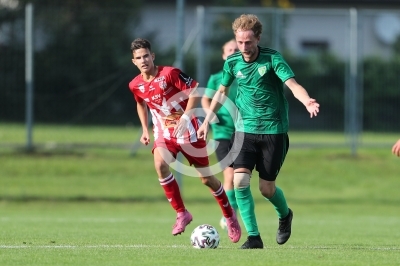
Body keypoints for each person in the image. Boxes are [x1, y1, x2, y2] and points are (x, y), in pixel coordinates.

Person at [197, 14, 320, 249]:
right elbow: (221, 92)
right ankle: (254, 237)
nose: (244, 47)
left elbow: (293, 85)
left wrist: (307, 102)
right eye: (240, 42)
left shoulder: (272, 59)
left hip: (274, 131)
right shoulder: (232, 63)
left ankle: (285, 216)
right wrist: (205, 121)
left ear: (258, 39)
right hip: (244, 130)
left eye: (249, 42)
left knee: (266, 189)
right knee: (240, 181)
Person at [128, 38, 241, 243]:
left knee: (207, 179)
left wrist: (187, 117)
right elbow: (140, 104)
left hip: (189, 130)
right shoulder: (135, 85)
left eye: (146, 56)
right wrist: (145, 129)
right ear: (133, 61)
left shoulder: (169, 74)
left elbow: (194, 93)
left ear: (152, 56)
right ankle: (181, 213)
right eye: (138, 58)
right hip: (164, 133)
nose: (143, 60)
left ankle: (229, 215)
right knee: (160, 165)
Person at [201, 39, 239, 230]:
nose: (233, 52)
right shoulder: (216, 78)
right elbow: (206, 100)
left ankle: (234, 211)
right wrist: (211, 115)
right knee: (230, 174)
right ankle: (230, 214)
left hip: (244, 131)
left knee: (241, 177)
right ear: (224, 55)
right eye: (229, 50)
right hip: (222, 132)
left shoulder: (244, 77)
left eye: (236, 49)